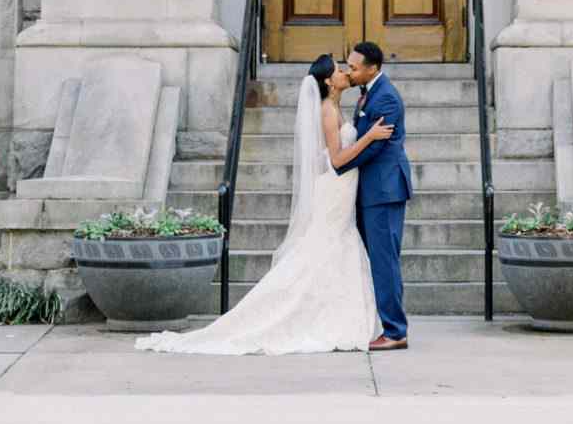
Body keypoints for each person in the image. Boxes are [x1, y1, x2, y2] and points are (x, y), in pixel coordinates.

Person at [134, 55, 389, 356]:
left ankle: (333, 312)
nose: (345, 72)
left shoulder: (335, 107)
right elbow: (336, 160)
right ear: (327, 81)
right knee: (324, 249)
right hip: (334, 190)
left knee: (332, 248)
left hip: (341, 192)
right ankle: (299, 313)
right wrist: (370, 137)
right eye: (338, 70)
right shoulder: (327, 111)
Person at [339, 41, 413, 352]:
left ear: (373, 68)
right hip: (372, 189)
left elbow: (374, 147)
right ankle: (386, 323)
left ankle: (396, 331)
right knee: (379, 260)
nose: (349, 71)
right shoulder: (368, 93)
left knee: (384, 262)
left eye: (354, 67)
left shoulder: (386, 99)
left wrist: (337, 164)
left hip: (384, 191)